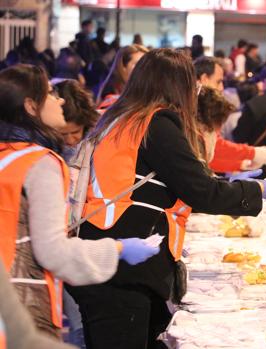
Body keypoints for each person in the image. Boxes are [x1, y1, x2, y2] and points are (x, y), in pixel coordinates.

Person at [66, 49, 266, 349]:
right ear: (181, 86)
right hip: (124, 270)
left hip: (107, 258)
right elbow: (200, 191)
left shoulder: (121, 118)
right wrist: (262, 191)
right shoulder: (156, 123)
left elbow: (178, 181)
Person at [0, 64, 159, 339]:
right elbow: (53, 252)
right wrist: (118, 249)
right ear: (30, 106)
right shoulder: (39, 163)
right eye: (50, 93)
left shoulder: (7, 155)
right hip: (22, 307)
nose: (59, 99)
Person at [193, 57, 266, 172]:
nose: (221, 88)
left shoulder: (199, 106)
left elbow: (207, 157)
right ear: (204, 79)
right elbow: (214, 148)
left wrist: (240, 164)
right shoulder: (193, 108)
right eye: (218, 81)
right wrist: (252, 153)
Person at [96, 44, 148, 108]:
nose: (144, 68)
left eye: (147, 64)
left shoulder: (146, 94)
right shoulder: (111, 100)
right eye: (138, 64)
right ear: (123, 66)